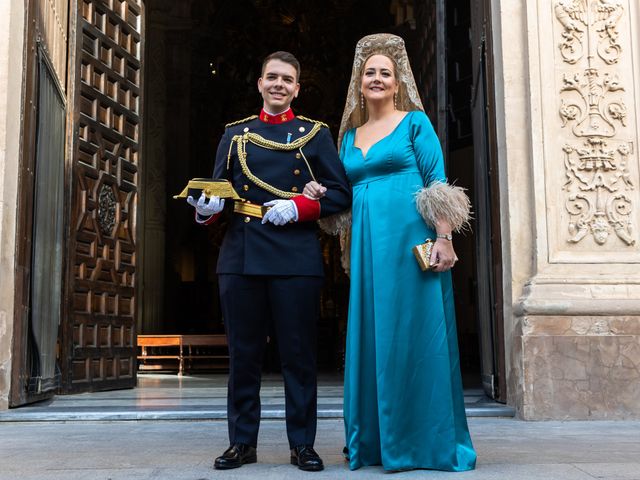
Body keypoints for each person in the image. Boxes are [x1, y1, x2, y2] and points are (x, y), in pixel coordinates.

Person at [304, 34, 477, 472]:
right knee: (372, 337)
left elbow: (438, 183)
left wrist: (444, 238)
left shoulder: (416, 124)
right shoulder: (348, 138)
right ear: (359, 85)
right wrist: (316, 191)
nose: (377, 79)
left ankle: (426, 443)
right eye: (370, 73)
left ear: (397, 83)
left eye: (385, 73)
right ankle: (376, 443)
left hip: (411, 246)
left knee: (415, 337)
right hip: (368, 251)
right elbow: (341, 194)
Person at [187, 51, 351, 472]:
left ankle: (302, 444)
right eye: (272, 78)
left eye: (287, 79)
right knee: (243, 356)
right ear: (260, 84)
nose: (279, 85)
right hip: (242, 253)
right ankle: (242, 442)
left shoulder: (314, 135)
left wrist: (300, 209)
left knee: (298, 356)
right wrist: (206, 209)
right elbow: (217, 190)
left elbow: (339, 193)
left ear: (297, 88)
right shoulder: (236, 134)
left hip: (295, 253)